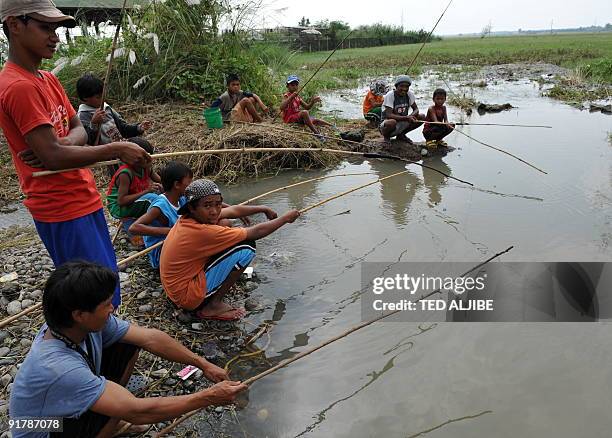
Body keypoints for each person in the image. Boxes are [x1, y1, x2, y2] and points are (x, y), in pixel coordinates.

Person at [0, 0, 150, 308]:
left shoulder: (48, 79)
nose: (54, 36)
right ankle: (95, 352)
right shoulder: (17, 86)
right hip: (60, 207)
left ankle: (102, 347)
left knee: (105, 288)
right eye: (45, 27)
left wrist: (61, 146)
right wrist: (115, 148)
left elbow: (77, 130)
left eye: (56, 28)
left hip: (83, 195)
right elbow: (54, 157)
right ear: (15, 25)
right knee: (93, 299)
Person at [9, 261, 246, 438]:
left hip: (59, 407)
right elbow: (137, 411)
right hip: (36, 428)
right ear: (79, 314)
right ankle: (110, 425)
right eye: (105, 305)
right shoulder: (58, 367)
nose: (112, 308)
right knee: (117, 407)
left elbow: (150, 338)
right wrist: (207, 397)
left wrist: (201, 363)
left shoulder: (74, 324)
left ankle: (112, 421)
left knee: (128, 343)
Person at [160, 179, 300, 321]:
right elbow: (255, 232)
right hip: (186, 297)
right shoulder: (201, 231)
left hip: (176, 290)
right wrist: (285, 219)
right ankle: (212, 306)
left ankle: (215, 289)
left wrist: (263, 208)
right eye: (207, 205)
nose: (214, 211)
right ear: (191, 207)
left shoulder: (190, 219)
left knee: (225, 225)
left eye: (218, 204)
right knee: (246, 246)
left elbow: (232, 210)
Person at [129, 161, 194, 269]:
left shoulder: (182, 199)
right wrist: (169, 231)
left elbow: (204, 202)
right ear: (177, 184)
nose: (191, 187)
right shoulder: (160, 206)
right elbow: (134, 228)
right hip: (163, 253)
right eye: (189, 183)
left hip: (178, 243)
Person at [77, 73, 153, 147]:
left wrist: (138, 128)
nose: (103, 99)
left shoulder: (106, 108)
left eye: (103, 95)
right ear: (85, 98)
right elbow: (87, 142)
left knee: (142, 145)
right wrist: (94, 124)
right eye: (98, 97)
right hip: (104, 154)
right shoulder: (83, 115)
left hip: (120, 146)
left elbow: (123, 128)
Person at [106, 137, 162, 220]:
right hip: (119, 208)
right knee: (152, 198)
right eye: (146, 157)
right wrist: (147, 191)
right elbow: (121, 201)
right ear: (135, 158)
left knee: (162, 193)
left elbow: (160, 180)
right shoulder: (125, 174)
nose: (150, 160)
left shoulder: (146, 167)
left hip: (135, 201)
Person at [280, 75, 333, 140]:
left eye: (296, 85)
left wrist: (313, 101)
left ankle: (332, 126)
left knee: (315, 120)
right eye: (292, 85)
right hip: (289, 118)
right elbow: (281, 107)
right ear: (288, 86)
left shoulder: (297, 97)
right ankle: (317, 133)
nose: (295, 87)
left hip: (297, 117)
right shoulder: (286, 96)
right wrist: (291, 97)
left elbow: (307, 107)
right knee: (304, 112)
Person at [379, 75, 426, 145]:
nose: (404, 89)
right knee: (391, 122)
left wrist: (411, 116)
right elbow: (388, 114)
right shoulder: (390, 95)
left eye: (407, 86)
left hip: (402, 121)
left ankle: (401, 135)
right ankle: (386, 137)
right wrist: (406, 118)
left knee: (421, 116)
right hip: (387, 124)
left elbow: (416, 109)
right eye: (402, 86)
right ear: (396, 86)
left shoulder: (409, 94)